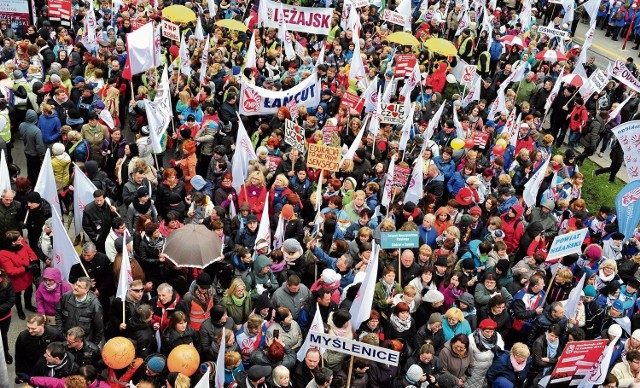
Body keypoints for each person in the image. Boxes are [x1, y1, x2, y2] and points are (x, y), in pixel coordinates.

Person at [0, 230, 38, 320]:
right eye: (19, 238)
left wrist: (34, 259)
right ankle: (20, 311)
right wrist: (25, 268)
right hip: (16, 280)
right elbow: (10, 271)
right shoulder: (2, 254)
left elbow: (30, 251)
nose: (22, 239)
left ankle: (28, 305)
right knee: (17, 296)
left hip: (28, 276)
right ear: (13, 242)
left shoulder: (21, 242)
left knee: (29, 291)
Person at [55, 276, 104, 344]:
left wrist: (92, 346)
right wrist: (60, 331)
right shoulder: (66, 297)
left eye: (79, 286)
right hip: (65, 340)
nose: (75, 288)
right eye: (76, 285)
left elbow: (99, 329)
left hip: (82, 344)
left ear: (86, 290)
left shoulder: (95, 304)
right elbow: (58, 313)